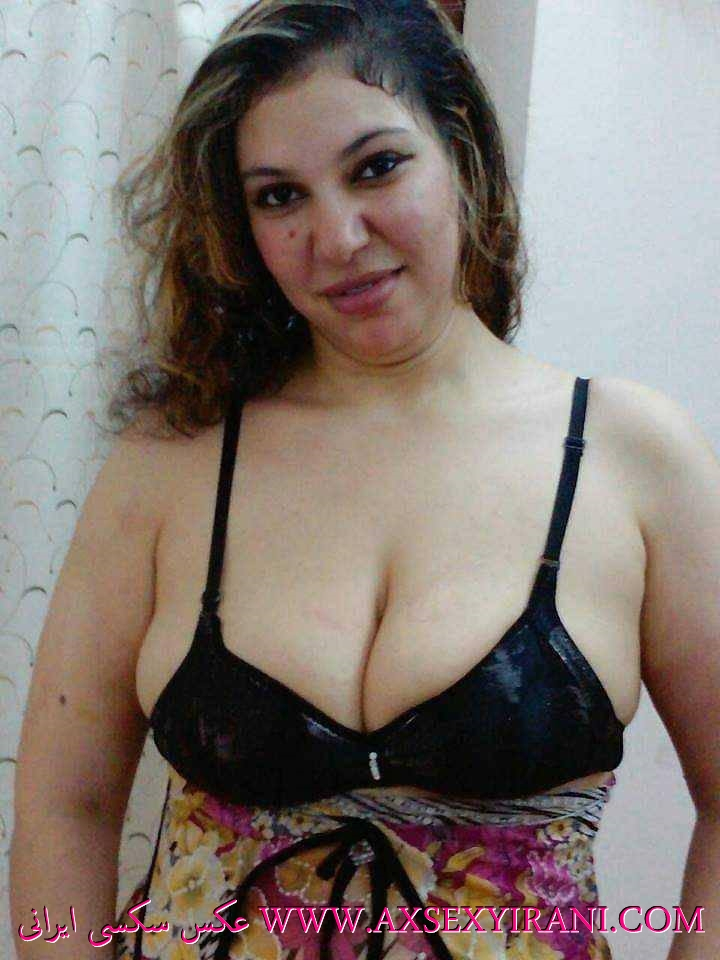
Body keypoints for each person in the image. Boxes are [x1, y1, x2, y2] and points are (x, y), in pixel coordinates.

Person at [10, 0, 719, 958]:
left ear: (462, 153)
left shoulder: (632, 457)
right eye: (279, 196)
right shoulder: (169, 463)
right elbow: (68, 805)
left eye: (377, 167)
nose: (337, 237)